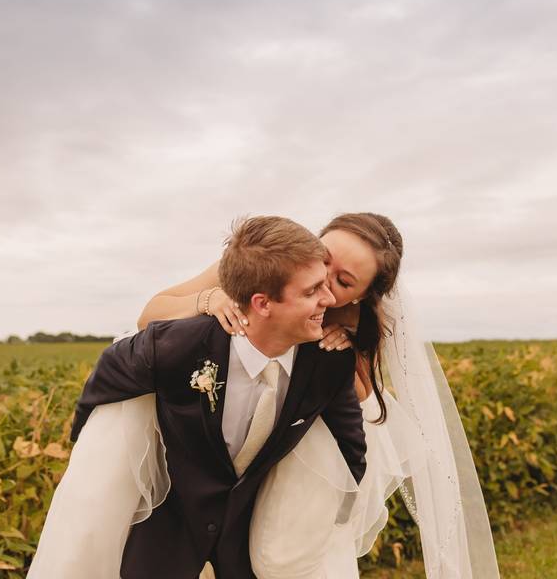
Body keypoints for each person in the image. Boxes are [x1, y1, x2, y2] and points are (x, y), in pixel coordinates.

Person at [139, 212, 500, 578]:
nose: (322, 282)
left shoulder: (347, 340)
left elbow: (355, 430)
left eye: (343, 282)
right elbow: (149, 315)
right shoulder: (260, 267)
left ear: (361, 297)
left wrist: (349, 349)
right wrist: (208, 299)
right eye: (323, 258)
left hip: (294, 479)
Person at [28, 216, 366, 579]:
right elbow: (106, 376)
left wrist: (301, 524)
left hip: (253, 550)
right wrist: (93, 458)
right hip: (165, 540)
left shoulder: (328, 364)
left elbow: (350, 454)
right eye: (312, 291)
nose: (329, 300)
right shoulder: (176, 346)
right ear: (262, 303)